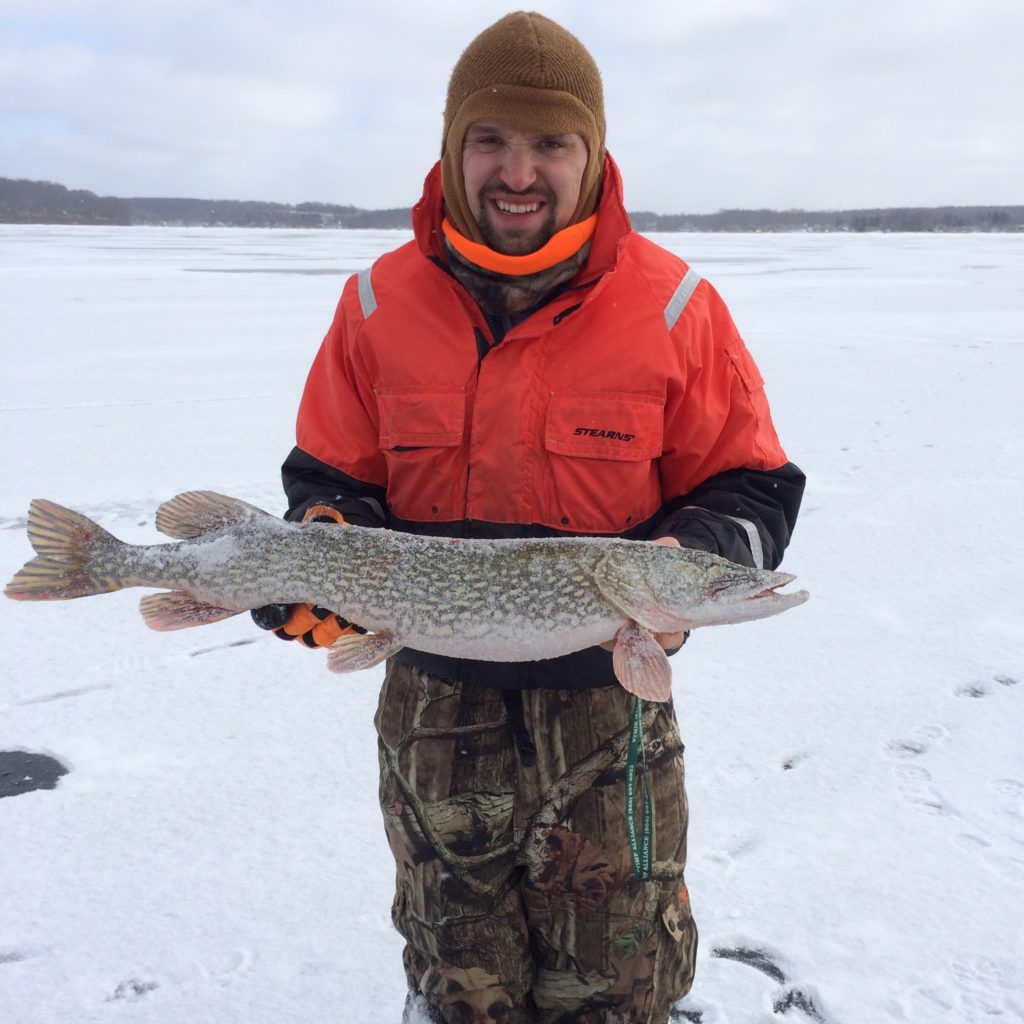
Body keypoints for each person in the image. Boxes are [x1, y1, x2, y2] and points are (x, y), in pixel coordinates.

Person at [253, 12, 805, 1023]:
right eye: (490, 140)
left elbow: (752, 485)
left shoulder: (678, 306)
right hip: (430, 707)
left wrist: (706, 558)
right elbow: (328, 478)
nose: (518, 171)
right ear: (453, 146)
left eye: (549, 143)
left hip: (610, 719)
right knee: (459, 973)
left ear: (591, 154)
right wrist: (313, 561)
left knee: (619, 978)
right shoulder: (374, 302)